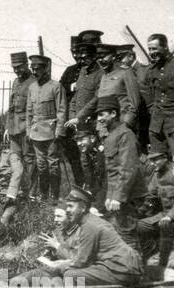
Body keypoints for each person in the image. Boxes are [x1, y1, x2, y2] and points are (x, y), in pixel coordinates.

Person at [26, 185, 143, 286]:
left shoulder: (89, 226)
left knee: (70, 275)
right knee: (69, 273)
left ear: (82, 208)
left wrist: (60, 266)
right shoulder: (90, 222)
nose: (67, 210)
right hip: (118, 267)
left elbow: (82, 262)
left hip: (121, 269)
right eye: (67, 206)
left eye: (71, 206)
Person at [97, 94, 145, 247]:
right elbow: (112, 173)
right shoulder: (111, 136)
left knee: (127, 235)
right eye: (98, 115)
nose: (99, 119)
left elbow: (127, 168)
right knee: (118, 234)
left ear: (113, 113)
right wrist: (109, 196)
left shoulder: (125, 134)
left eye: (102, 114)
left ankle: (137, 261)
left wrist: (118, 197)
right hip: (118, 195)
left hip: (128, 195)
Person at [25, 54, 67, 202]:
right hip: (36, 132)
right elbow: (29, 111)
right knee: (41, 165)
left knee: (53, 164)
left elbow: (61, 110)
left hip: (51, 132)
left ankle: (54, 195)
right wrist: (28, 130)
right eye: (33, 68)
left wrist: (59, 131)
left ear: (45, 69)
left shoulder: (56, 86)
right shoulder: (32, 87)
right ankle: (43, 195)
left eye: (37, 69)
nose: (34, 72)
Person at [71, 44, 141, 132]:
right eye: (98, 58)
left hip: (121, 125)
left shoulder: (126, 73)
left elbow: (134, 103)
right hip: (104, 127)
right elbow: (96, 99)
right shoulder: (104, 76)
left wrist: (126, 123)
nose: (100, 60)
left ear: (113, 56)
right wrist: (79, 117)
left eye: (103, 56)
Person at [64, 31, 103, 185]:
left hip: (93, 122)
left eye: (86, 57)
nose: (82, 60)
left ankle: (99, 190)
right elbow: (75, 98)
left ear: (94, 56)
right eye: (80, 57)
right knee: (84, 160)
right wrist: (72, 117)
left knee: (98, 159)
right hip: (80, 125)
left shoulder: (100, 73)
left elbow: (97, 98)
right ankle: (88, 189)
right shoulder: (82, 72)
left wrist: (79, 117)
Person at [7, 52, 34, 191]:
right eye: (14, 68)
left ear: (26, 65)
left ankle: (30, 191)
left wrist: (31, 128)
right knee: (16, 160)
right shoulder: (15, 82)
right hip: (14, 128)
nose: (17, 70)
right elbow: (10, 107)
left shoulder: (33, 81)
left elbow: (34, 108)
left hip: (26, 128)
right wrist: (7, 127)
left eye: (19, 67)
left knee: (29, 159)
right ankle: (19, 190)